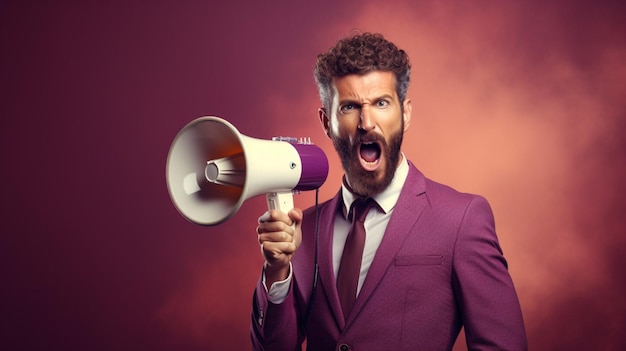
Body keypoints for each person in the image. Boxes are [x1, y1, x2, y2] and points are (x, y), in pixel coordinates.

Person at [251, 32, 527, 350]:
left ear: (405, 113)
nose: (367, 122)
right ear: (327, 122)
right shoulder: (303, 228)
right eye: (350, 107)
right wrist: (277, 271)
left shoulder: (461, 219)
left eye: (381, 103)